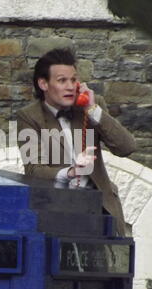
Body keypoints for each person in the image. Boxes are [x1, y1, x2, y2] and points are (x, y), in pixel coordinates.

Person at [16, 48, 136, 236]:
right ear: (43, 84)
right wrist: (70, 172)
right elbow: (34, 169)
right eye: (62, 81)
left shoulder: (92, 106)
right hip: (59, 211)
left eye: (73, 80)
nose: (70, 87)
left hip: (100, 209)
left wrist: (93, 110)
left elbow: (126, 147)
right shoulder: (29, 117)